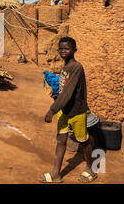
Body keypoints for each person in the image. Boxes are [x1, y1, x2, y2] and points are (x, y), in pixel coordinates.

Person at [40, 37, 97, 183]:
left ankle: (90, 169)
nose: (63, 51)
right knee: (61, 140)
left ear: (74, 50)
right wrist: (56, 94)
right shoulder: (65, 66)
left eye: (66, 48)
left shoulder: (77, 67)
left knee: (83, 140)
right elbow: (64, 89)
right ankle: (56, 174)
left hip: (76, 112)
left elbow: (68, 93)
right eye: (61, 48)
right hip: (64, 111)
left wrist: (52, 110)